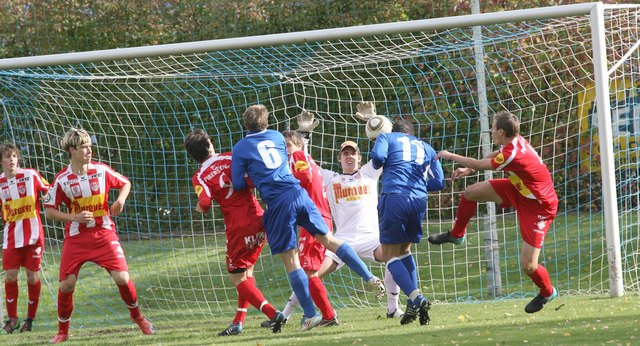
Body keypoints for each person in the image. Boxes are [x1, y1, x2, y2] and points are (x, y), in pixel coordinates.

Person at [231, 104, 384, 332]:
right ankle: (368, 278)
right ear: (267, 121)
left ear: (246, 125)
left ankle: (311, 314)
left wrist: (254, 174)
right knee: (329, 243)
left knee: (293, 262)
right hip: (300, 196)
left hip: (279, 202)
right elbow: (295, 162)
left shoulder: (242, 147)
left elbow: (239, 183)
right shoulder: (276, 137)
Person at [270, 107, 402, 326]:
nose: (349, 156)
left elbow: (384, 148)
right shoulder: (331, 178)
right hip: (341, 241)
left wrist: (374, 121)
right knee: (309, 273)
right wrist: (304, 136)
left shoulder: (369, 172)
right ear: (340, 159)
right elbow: (306, 162)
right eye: (345, 153)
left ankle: (393, 308)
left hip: (371, 238)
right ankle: (284, 315)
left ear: (359, 158)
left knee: (396, 256)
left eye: (353, 153)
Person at [427, 110, 558, 313]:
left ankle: (547, 292)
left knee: (528, 265)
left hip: (539, 207)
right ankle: (456, 235)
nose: (490, 131)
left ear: (500, 131)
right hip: (518, 188)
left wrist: (449, 155)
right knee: (470, 193)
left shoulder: (513, 153)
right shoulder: (512, 142)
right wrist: (469, 170)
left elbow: (482, 164)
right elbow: (496, 156)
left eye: (492, 128)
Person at [44, 128, 155, 343]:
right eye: (84, 147)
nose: (89, 151)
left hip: (103, 233)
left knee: (122, 278)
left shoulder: (101, 170)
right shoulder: (61, 179)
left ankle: (139, 318)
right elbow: (49, 211)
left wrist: (120, 200)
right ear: (73, 150)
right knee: (66, 285)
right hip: (76, 238)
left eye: (90, 146)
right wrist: (73, 218)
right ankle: (62, 332)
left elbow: (125, 183)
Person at [184, 129, 282, 336]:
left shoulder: (199, 176)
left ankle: (273, 314)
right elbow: (253, 176)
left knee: (236, 278)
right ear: (210, 144)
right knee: (246, 273)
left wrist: (200, 208)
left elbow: (204, 202)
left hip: (239, 226)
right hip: (258, 217)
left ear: (192, 155)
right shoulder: (232, 156)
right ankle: (238, 322)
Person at [370, 117, 445, 326]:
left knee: (388, 254)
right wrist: (420, 185)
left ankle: (417, 298)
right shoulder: (427, 148)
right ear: (411, 133)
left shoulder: (387, 137)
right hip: (418, 201)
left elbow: (377, 158)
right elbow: (439, 182)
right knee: (404, 251)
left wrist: (382, 162)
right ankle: (413, 303)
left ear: (395, 131)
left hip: (395, 196)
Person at [280, 130, 338, 327]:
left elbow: (303, 176)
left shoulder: (297, 156)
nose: (286, 150)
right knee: (308, 271)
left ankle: (328, 316)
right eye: (283, 147)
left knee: (309, 271)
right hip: (317, 217)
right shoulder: (305, 156)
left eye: (288, 145)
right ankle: (323, 315)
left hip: (314, 218)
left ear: (297, 145)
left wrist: (283, 180)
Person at [0, 143, 49, 334]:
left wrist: (47, 196)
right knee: (10, 276)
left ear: (17, 158)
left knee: (32, 276)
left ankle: (30, 319)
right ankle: (12, 319)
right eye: (7, 156)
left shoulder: (30, 175)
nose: (11, 159)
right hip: (12, 236)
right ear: (1, 161)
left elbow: (49, 189)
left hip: (34, 235)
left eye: (14, 156)